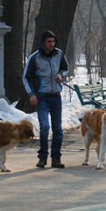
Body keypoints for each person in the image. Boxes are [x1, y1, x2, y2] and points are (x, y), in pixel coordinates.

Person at [23, 30, 69, 168]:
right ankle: (42, 157)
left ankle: (56, 158)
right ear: (43, 42)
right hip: (41, 97)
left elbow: (66, 68)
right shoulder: (34, 57)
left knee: (58, 129)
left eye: (53, 41)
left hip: (56, 96)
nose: (52, 44)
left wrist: (61, 75)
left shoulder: (59, 54)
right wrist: (31, 94)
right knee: (44, 127)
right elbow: (26, 77)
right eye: (49, 41)